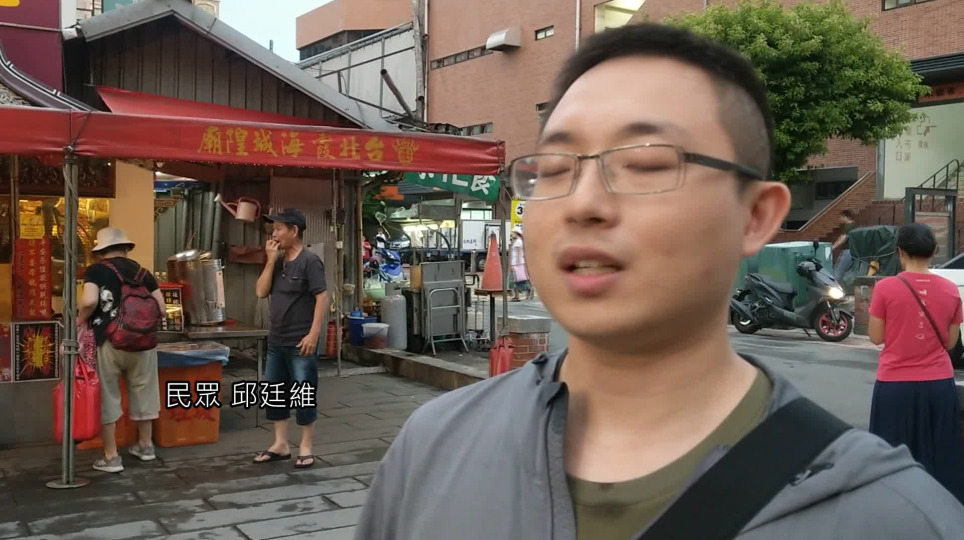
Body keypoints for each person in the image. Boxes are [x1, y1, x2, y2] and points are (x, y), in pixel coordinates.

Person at [354, 24, 964, 539]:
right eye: (555, 169)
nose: (582, 204)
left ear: (755, 216)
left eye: (645, 164)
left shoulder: (892, 519)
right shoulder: (432, 449)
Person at [868, 222, 964, 502]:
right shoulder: (950, 289)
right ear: (934, 251)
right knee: (941, 457)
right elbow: (950, 342)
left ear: (900, 252)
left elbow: (876, 336)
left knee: (891, 459)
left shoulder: (885, 288)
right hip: (938, 386)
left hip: (894, 387)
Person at [79, 227, 165, 473]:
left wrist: (80, 319)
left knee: (108, 395)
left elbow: (89, 301)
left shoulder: (96, 270)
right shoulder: (143, 272)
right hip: (143, 343)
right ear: (126, 248)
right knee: (144, 390)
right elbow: (161, 307)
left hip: (109, 341)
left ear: (100, 251)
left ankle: (111, 456)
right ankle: (145, 446)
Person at [254, 208, 328, 469]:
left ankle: (306, 445)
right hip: (277, 339)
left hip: (301, 341)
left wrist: (314, 333)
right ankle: (280, 443)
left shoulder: (310, 261)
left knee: (303, 391)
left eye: (278, 229)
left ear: (294, 231)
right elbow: (261, 292)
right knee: (275, 391)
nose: (273, 234)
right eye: (272, 229)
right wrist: (270, 261)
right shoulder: (277, 261)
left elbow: (322, 297)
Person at [832, 209, 856, 283]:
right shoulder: (850, 226)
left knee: (838, 271)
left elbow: (843, 238)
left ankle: (833, 286)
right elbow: (841, 237)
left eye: (841, 217)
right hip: (848, 251)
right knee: (840, 270)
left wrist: (832, 247)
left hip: (848, 251)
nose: (840, 219)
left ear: (846, 217)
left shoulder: (849, 226)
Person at [509, 230, 533, 301]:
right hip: (517, 263)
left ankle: (525, 291)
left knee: (517, 280)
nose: (512, 235)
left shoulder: (518, 242)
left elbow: (518, 253)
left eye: (513, 234)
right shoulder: (518, 241)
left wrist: (517, 263)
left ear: (517, 234)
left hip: (517, 263)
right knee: (517, 280)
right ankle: (518, 295)